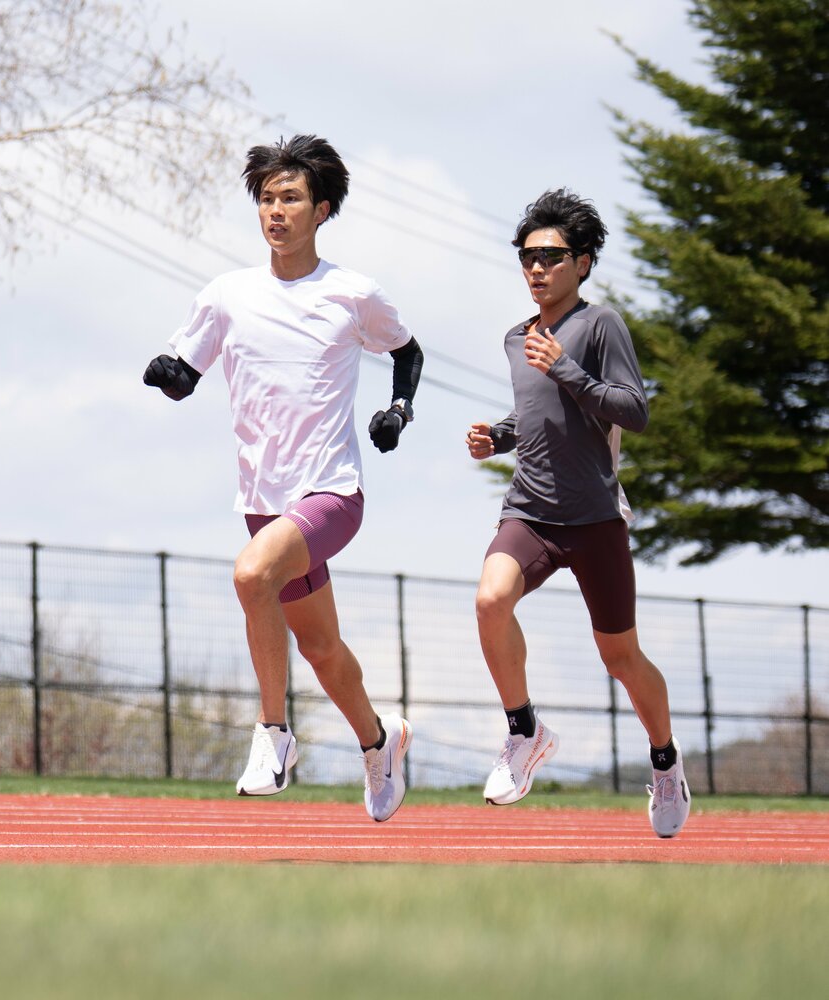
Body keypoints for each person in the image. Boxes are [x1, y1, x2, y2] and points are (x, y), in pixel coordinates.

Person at [143, 134, 423, 823]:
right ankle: (379, 742)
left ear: (321, 210)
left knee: (250, 576)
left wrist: (398, 410)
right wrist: (167, 375)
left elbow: (407, 351)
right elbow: (187, 374)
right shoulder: (227, 294)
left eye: (291, 198)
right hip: (262, 503)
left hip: (331, 493)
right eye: (267, 198)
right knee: (321, 648)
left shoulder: (352, 293)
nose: (276, 210)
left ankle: (273, 734)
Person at [465, 188, 690, 838]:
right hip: (530, 511)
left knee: (620, 657)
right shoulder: (517, 338)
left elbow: (633, 411)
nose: (536, 268)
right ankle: (524, 731)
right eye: (527, 257)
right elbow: (537, 418)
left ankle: (665, 761)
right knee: (490, 600)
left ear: (583, 263)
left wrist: (568, 370)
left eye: (551, 257)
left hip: (595, 518)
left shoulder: (601, 326)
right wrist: (498, 437)